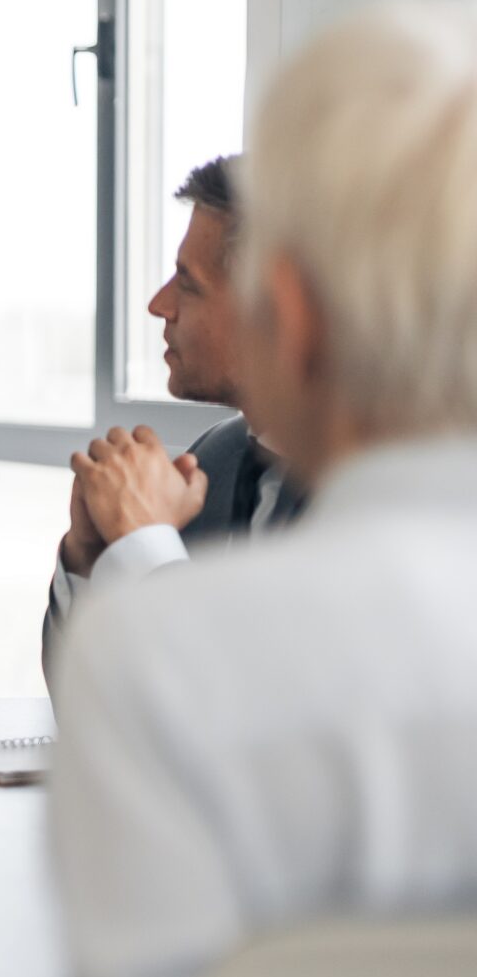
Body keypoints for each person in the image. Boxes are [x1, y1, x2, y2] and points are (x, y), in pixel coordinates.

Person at [0, 0, 477, 977]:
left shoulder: (188, 660)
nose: (160, 302)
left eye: (194, 283)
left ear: (296, 315)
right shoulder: (222, 492)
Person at [45, 157, 305, 650]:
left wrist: (143, 542)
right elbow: (90, 706)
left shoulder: (372, 508)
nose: (159, 305)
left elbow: (243, 715)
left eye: (188, 283)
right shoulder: (214, 457)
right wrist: (91, 556)